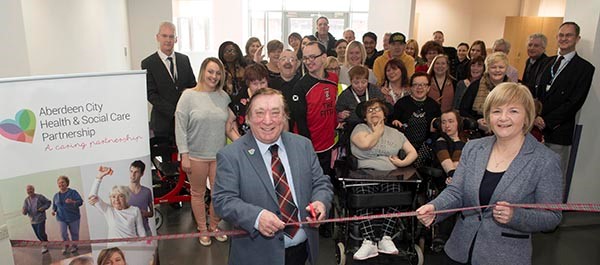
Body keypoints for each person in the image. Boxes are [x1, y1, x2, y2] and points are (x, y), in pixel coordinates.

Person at [417, 82, 563, 265]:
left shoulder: (545, 161)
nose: (503, 118)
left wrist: (515, 216)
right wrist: (435, 208)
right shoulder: (473, 148)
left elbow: (552, 217)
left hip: (504, 257)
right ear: (488, 116)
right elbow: (456, 192)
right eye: (496, 111)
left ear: (527, 117)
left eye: (513, 111)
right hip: (459, 251)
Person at [213, 88, 334, 265]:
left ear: (285, 116)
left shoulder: (303, 146)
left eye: (276, 113)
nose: (268, 120)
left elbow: (321, 182)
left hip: (303, 253)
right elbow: (223, 200)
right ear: (248, 118)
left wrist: (321, 202)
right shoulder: (231, 155)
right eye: (260, 113)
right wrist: (256, 217)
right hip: (257, 256)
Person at [174, 57, 237, 246]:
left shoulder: (223, 96)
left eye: (218, 73)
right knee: (198, 193)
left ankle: (215, 226)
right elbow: (180, 127)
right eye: (210, 71)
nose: (214, 76)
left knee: (219, 193)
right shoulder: (188, 96)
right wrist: (184, 154)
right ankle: (202, 229)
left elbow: (229, 124)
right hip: (195, 156)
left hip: (219, 156)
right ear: (202, 72)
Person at [349, 98, 417, 260]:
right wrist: (378, 131)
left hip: (390, 173)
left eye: (377, 109)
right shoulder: (359, 129)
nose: (374, 112)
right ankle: (369, 241)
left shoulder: (396, 133)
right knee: (363, 195)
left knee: (395, 193)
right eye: (370, 110)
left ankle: (386, 237)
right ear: (364, 117)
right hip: (364, 173)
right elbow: (366, 144)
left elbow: (413, 152)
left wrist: (402, 162)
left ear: (384, 114)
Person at [533, 22, 595, 182]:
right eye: (561, 35)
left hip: (558, 133)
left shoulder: (585, 69)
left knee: (553, 180)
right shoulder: (546, 62)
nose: (564, 38)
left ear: (577, 38)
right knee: (531, 177)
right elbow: (535, 93)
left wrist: (547, 121)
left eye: (569, 35)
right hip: (535, 130)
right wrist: (535, 116)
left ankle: (551, 208)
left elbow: (574, 102)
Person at [288, 41, 338, 174]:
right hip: (309, 148)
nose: (308, 61)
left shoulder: (333, 79)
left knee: (327, 184)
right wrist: (308, 148)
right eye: (305, 58)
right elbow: (300, 121)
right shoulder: (300, 87)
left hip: (329, 144)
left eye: (312, 57)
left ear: (323, 57)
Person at [142, 21, 197, 141]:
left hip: (187, 122)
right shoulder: (148, 63)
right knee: (167, 159)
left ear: (176, 39)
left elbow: (193, 86)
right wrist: (174, 112)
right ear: (157, 37)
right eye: (164, 36)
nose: (168, 40)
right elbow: (151, 94)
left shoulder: (184, 60)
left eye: (171, 36)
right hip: (163, 124)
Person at [391, 72, 441, 167]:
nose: (419, 88)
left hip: (425, 146)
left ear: (428, 88)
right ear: (410, 88)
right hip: (404, 145)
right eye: (416, 85)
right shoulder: (402, 103)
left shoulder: (434, 106)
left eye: (423, 85)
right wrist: (395, 121)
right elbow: (392, 121)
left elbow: (437, 131)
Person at [88, 166, 147, 240]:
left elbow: (141, 232)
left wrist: (146, 246)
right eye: (113, 196)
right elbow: (92, 196)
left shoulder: (135, 210)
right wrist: (100, 176)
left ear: (126, 197)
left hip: (132, 247)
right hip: (114, 250)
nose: (116, 199)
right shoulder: (108, 210)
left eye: (120, 196)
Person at [460, 52, 510, 131]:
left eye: (501, 67)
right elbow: (463, 110)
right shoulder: (475, 86)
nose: (497, 70)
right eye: (493, 67)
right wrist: (477, 122)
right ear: (487, 69)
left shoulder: (513, 89)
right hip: (479, 130)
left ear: (506, 69)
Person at [336, 65, 385, 130]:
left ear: (368, 80)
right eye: (356, 83)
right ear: (350, 82)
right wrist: (340, 115)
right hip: (354, 127)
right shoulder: (345, 95)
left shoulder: (375, 91)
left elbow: (384, 106)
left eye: (364, 82)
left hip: (375, 125)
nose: (360, 86)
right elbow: (337, 112)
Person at [228, 63, 270, 138]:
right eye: (255, 84)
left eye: (263, 83)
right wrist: (239, 142)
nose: (259, 87)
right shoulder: (237, 100)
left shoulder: (274, 98)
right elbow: (230, 124)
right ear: (248, 84)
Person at [52, 175, 83, 254]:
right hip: (61, 218)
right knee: (63, 233)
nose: (61, 184)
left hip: (74, 217)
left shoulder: (73, 192)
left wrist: (72, 202)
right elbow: (54, 205)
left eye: (62, 182)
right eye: (59, 183)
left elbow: (80, 202)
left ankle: (74, 246)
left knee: (74, 233)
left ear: (67, 183)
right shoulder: (56, 195)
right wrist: (53, 210)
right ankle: (66, 245)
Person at [126, 160, 153, 235]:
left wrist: (144, 214)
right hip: (129, 233)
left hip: (145, 231)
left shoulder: (147, 191)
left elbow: (151, 213)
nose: (133, 175)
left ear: (142, 174)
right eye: (131, 171)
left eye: (136, 172)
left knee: (153, 247)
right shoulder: (123, 192)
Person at [22, 184, 51, 254]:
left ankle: (44, 246)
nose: (29, 191)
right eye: (28, 190)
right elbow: (24, 211)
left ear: (33, 189)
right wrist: (23, 211)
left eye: (30, 189)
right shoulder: (26, 200)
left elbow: (48, 202)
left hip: (41, 218)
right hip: (32, 220)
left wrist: (43, 208)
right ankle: (46, 242)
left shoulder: (39, 197)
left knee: (40, 233)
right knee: (37, 234)